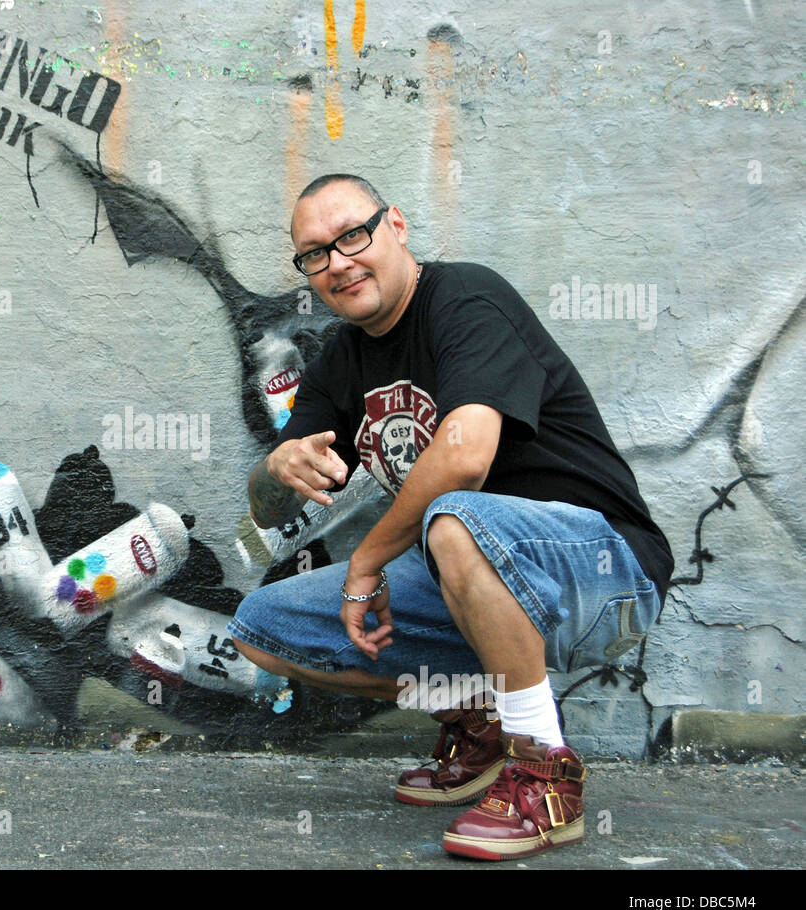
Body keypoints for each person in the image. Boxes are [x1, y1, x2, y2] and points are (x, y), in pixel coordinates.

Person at [226, 174, 673, 861]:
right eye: (315, 253)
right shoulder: (340, 361)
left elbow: (464, 453)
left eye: (353, 235)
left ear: (395, 226)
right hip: (471, 578)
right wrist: (276, 471)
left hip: (604, 570)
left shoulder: (466, 298)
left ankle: (546, 775)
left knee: (453, 518)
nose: (338, 262)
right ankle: (482, 717)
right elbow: (266, 507)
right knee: (263, 627)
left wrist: (369, 562)